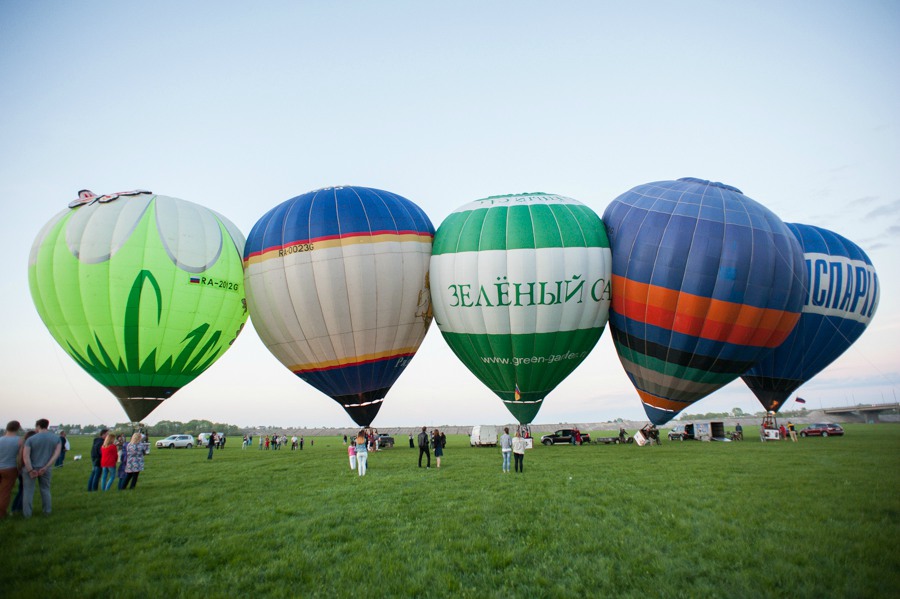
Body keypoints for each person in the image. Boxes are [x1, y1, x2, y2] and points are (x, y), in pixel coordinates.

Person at [21, 419, 61, 518]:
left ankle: (27, 514)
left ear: (38, 426)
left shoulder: (30, 439)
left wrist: (30, 470)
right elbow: (56, 455)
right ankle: (47, 511)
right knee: (45, 490)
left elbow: (26, 456)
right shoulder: (56, 439)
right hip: (46, 469)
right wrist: (46, 467)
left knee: (28, 491)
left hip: (31, 468)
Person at [0, 420, 22, 518]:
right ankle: (1, 514)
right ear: (17, 428)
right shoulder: (19, 440)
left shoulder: (0, 439)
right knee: (5, 492)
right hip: (10, 468)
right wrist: (20, 469)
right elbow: (20, 457)